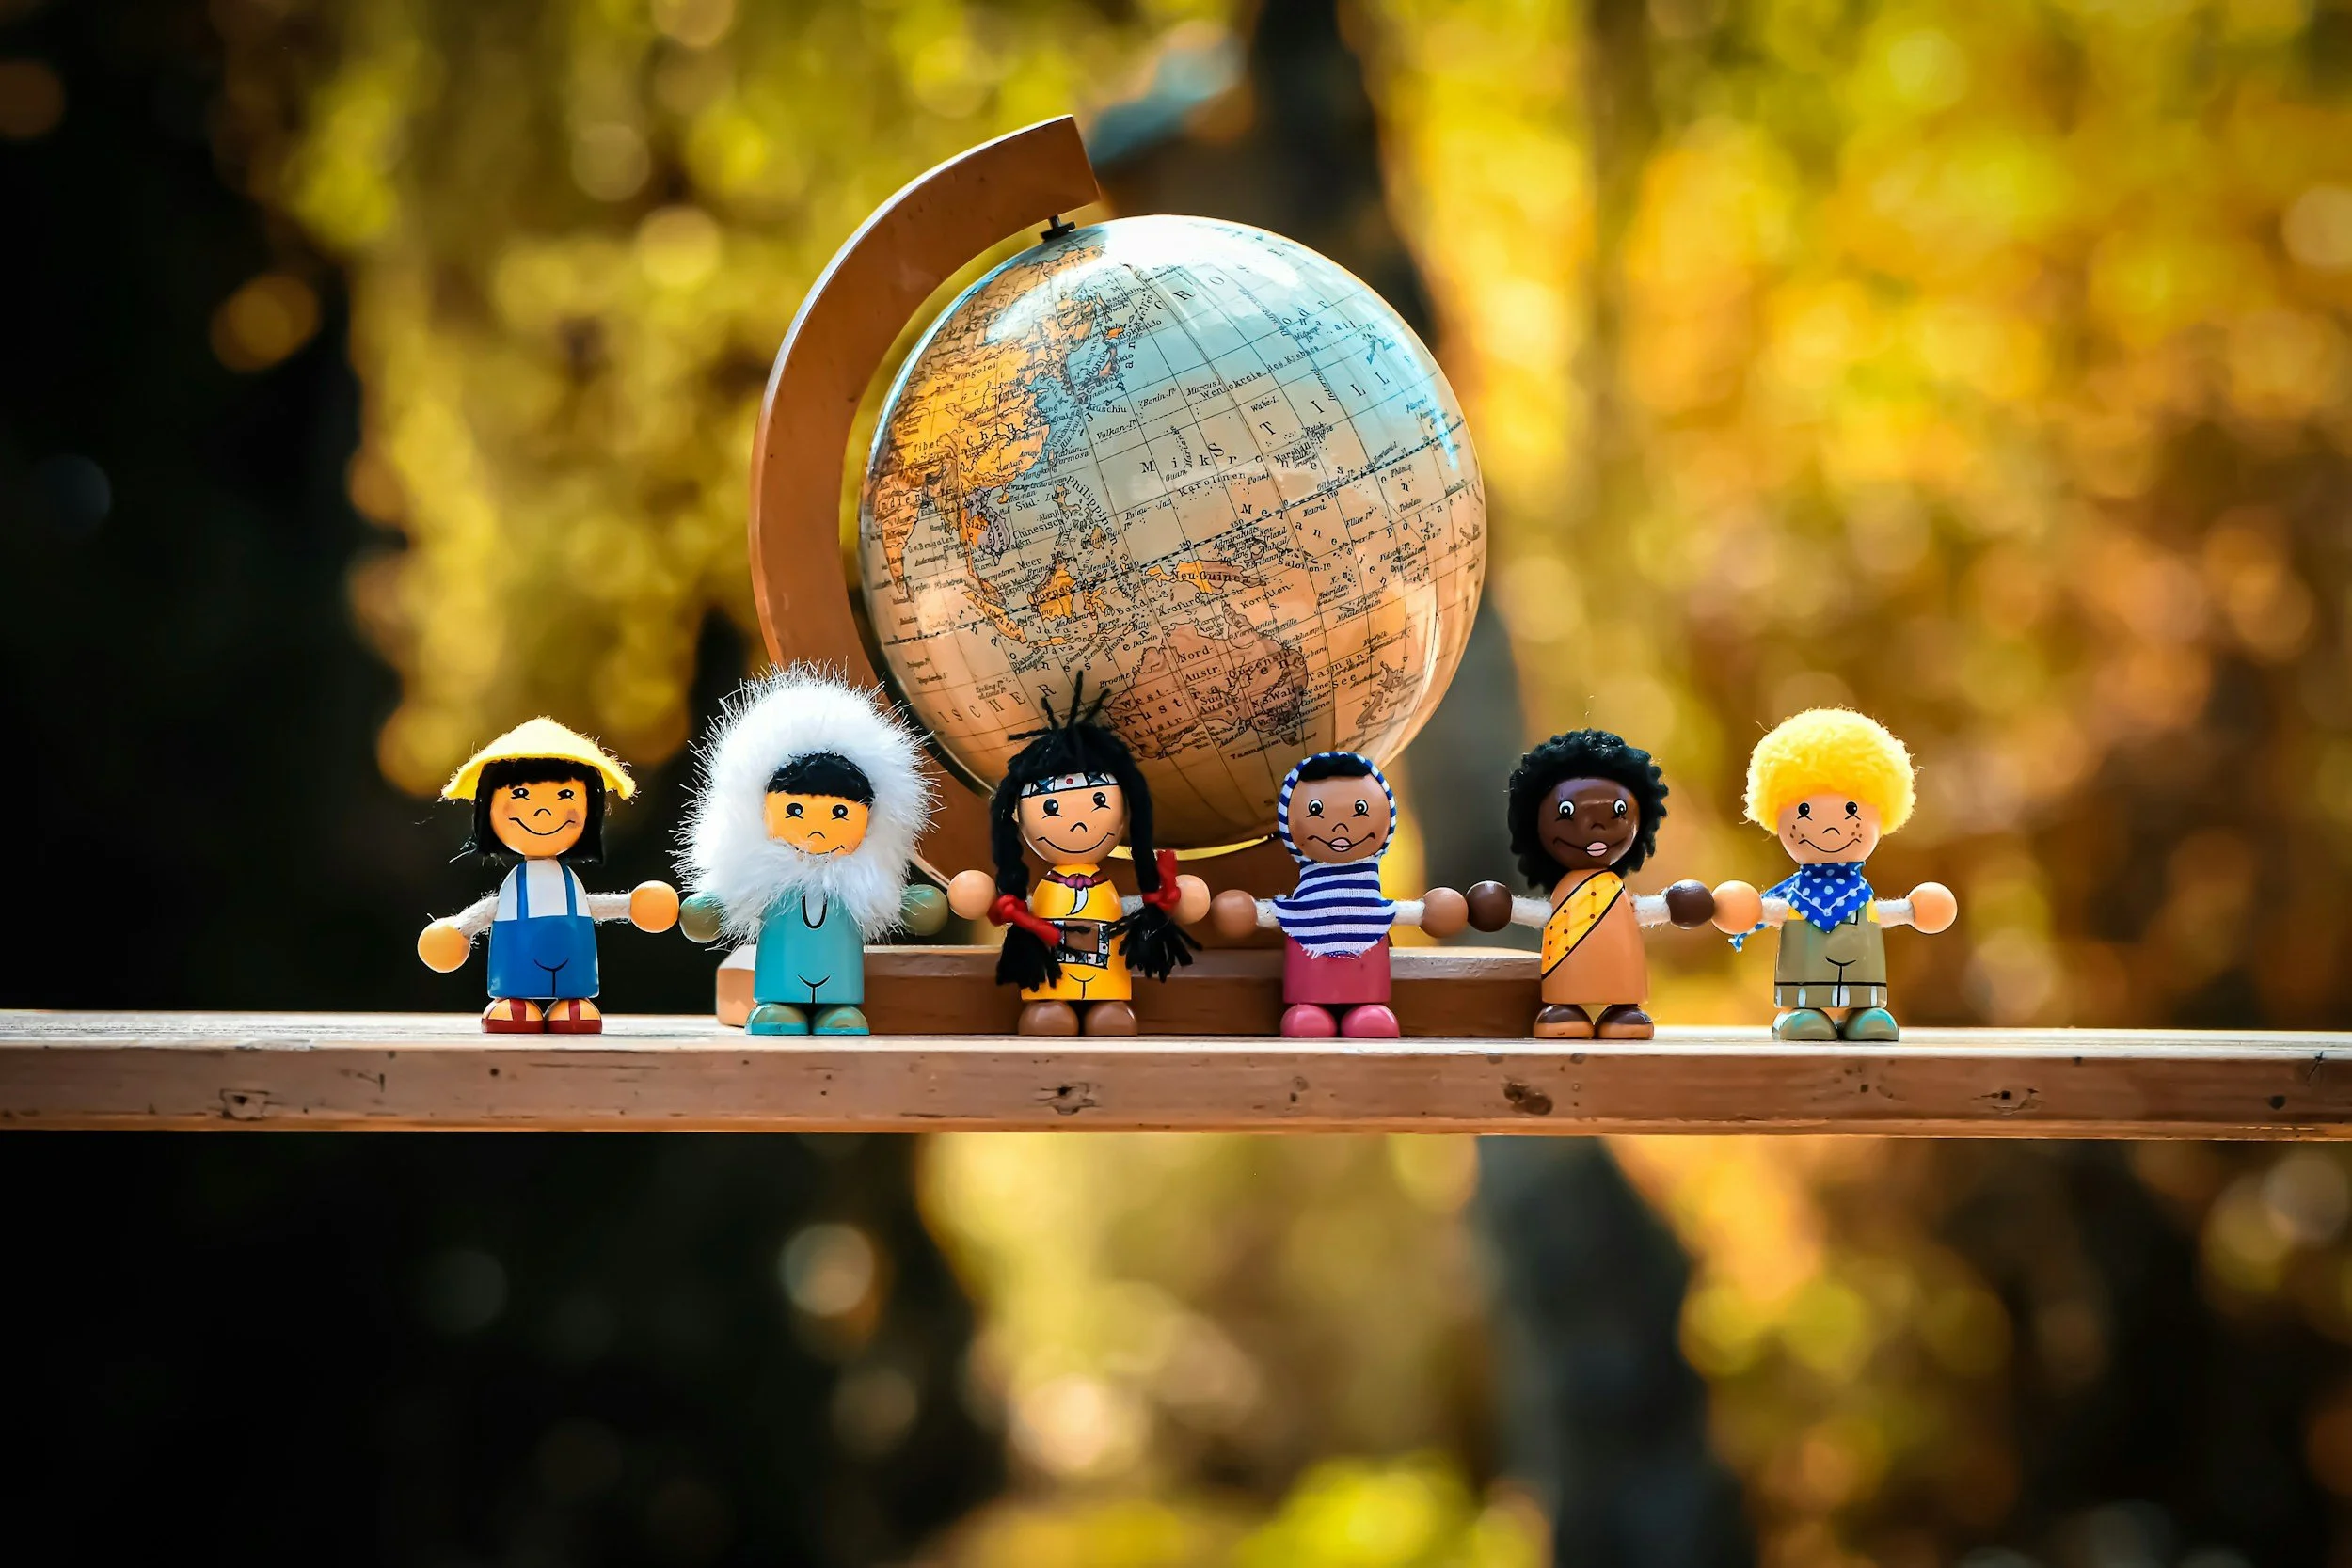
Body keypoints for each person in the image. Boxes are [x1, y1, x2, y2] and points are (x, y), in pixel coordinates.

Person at [677, 668, 945, 1037]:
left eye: (840, 813)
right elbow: (719, 908)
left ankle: (838, 1010)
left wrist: (913, 905)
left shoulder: (864, 884)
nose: (818, 828)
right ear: (760, 813)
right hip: (778, 986)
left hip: (842, 989)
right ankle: (778, 1006)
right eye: (796, 810)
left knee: (842, 1013)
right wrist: (712, 907)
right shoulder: (761, 879)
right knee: (778, 1011)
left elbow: (902, 906)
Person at [946, 681, 1209, 1036]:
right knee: (1049, 1017)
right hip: (1053, 978)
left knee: (1112, 1019)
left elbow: (1144, 908)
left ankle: (1109, 1009)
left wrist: (1170, 899)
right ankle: (1052, 1008)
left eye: (1099, 801)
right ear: (1019, 818)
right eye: (1051, 806)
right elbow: (999, 906)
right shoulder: (1043, 893)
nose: (1080, 821)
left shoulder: (1107, 892)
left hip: (1107, 979)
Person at [1709, 707, 1959, 1042]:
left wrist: (1915, 909)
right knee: (1806, 1016)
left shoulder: (1860, 899)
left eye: (1851, 810)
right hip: (1804, 985)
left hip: (1862, 981)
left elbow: (1900, 913)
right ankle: (1803, 1014)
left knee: (1870, 1014)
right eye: (1804, 811)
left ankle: (1863, 1013)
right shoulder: (1794, 900)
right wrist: (1749, 908)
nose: (1829, 827)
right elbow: (1751, 910)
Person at [417, 718, 678, 1034]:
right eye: (521, 794)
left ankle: (569, 1005)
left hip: (573, 971)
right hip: (516, 973)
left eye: (566, 795)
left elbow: (592, 906)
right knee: (515, 1010)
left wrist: (633, 905)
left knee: (575, 1009)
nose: (543, 812)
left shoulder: (568, 883)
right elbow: (487, 912)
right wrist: (459, 930)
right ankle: (516, 1005)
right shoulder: (517, 885)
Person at [1466, 729, 1714, 1040]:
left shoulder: (1617, 890)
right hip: (1566, 970)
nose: (1596, 825)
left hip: (1622, 970)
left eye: (1618, 812)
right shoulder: (1565, 890)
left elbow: (1643, 911)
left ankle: (1623, 1009)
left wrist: (1673, 904)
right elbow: (1543, 913)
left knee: (1624, 1000)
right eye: (1568, 812)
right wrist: (1505, 907)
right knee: (1565, 1002)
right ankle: (1567, 1009)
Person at [1208, 751, 1468, 1037]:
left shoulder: (1371, 905)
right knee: (1307, 1021)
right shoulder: (1302, 909)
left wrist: (1430, 911)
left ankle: (1365, 1012)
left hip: (1367, 987)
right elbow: (1267, 914)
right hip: (1309, 990)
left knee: (1370, 1020)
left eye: (1359, 808)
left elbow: (1422, 913)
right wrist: (1247, 911)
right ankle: (1310, 1013)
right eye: (1316, 809)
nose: (1340, 827)